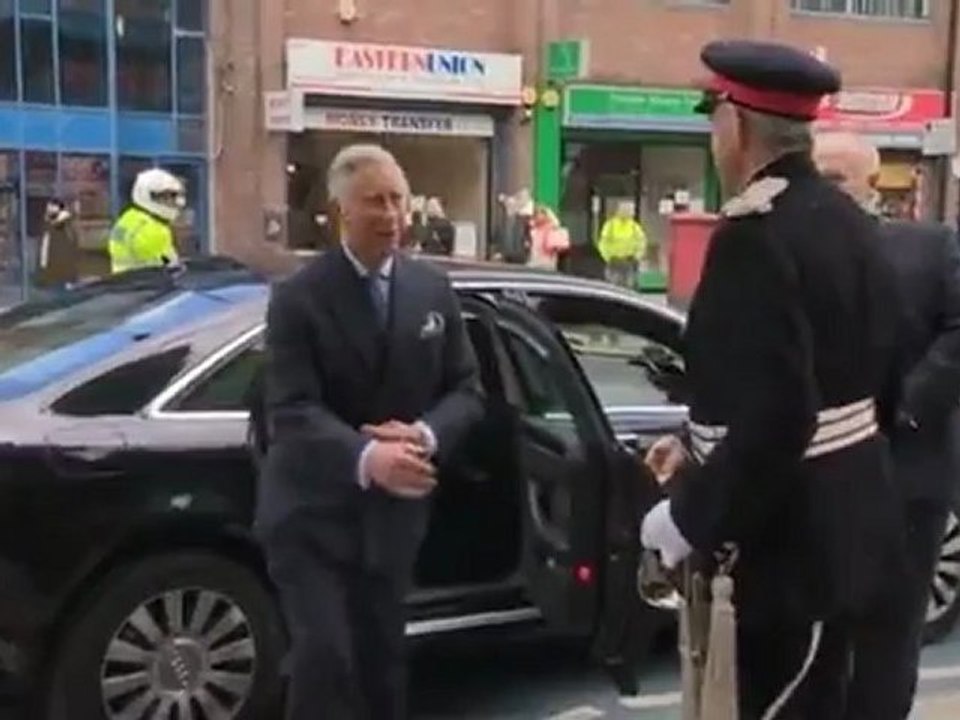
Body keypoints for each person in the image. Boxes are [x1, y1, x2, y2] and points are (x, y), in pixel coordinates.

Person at [639, 40, 904, 719]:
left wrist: (688, 516)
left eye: (713, 116)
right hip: (846, 531)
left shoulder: (754, 236)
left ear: (738, 123)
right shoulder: (850, 222)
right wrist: (696, 443)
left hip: (785, 549)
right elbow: (870, 377)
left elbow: (783, 414)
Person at [255, 143, 484, 720]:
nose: (390, 215)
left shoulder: (432, 291)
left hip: (391, 524)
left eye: (397, 201)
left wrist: (425, 436)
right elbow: (291, 408)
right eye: (373, 202)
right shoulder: (299, 297)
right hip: (311, 516)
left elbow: (468, 391)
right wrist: (365, 457)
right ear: (341, 213)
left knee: (383, 662)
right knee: (325, 659)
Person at [814, 131, 960, 720]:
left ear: (870, 187)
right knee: (817, 643)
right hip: (815, 484)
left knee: (887, 644)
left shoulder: (929, 249)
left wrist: (908, 404)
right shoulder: (783, 254)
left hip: (905, 476)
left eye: (832, 181)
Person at [107, 168, 183, 274]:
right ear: (147, 195)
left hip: (122, 282)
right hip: (150, 285)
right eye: (166, 197)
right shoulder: (154, 229)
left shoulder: (127, 218)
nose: (174, 202)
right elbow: (170, 266)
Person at [597, 201, 647, 288]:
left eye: (631, 211)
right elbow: (603, 242)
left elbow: (641, 242)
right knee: (613, 287)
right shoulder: (610, 225)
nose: (630, 213)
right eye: (628, 210)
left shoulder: (634, 226)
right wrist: (607, 257)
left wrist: (637, 256)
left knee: (629, 287)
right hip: (615, 261)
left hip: (629, 261)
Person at [36, 198, 80, 288]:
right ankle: (49, 280)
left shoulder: (63, 220)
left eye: (51, 207)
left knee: (55, 262)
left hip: (59, 250)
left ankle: (63, 280)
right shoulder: (51, 219)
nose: (48, 209)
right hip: (53, 249)